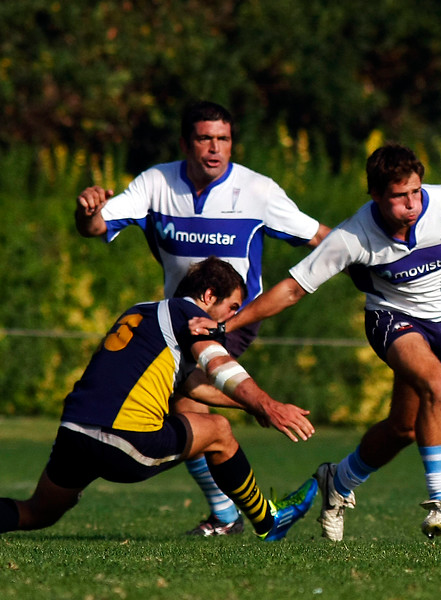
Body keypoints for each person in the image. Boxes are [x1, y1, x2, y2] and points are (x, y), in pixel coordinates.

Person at [190, 143, 441, 540]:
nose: (412, 204)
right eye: (399, 197)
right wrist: (228, 325)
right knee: (436, 386)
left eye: (415, 192)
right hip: (390, 318)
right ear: (376, 196)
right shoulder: (353, 236)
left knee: (404, 429)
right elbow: (292, 290)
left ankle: (339, 480)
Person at [0, 257, 318, 542]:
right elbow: (219, 365)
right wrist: (266, 404)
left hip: (75, 433)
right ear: (208, 297)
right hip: (124, 440)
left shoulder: (143, 311)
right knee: (219, 433)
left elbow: (189, 386)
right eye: (232, 307)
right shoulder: (189, 314)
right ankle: (267, 521)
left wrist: (248, 404)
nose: (232, 319)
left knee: (38, 512)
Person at [75, 100, 331, 536]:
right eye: (204, 138)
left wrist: (374, 259)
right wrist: (88, 210)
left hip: (232, 319)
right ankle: (248, 461)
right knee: (185, 410)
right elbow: (97, 227)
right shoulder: (157, 182)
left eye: (223, 139)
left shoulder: (258, 191)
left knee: (188, 406)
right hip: (177, 321)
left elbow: (320, 238)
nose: (214, 148)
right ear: (185, 143)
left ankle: (229, 513)